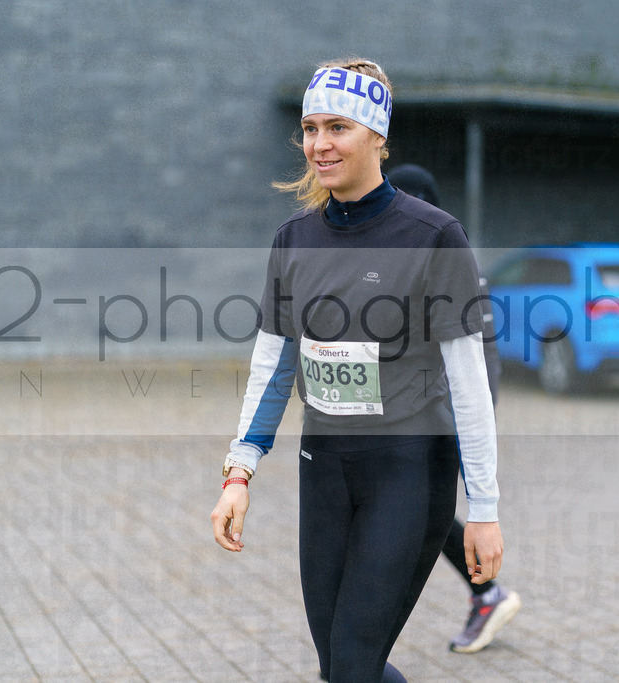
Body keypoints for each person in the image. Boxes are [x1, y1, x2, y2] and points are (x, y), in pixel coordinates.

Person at [210, 58, 503, 682]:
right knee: (341, 668)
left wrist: (484, 508)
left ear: (378, 136)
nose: (320, 144)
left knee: (351, 665)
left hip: (410, 473)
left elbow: (470, 385)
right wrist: (240, 470)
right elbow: (275, 364)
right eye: (311, 128)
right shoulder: (293, 240)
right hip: (325, 470)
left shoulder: (435, 236)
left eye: (338, 127)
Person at [387, 163, 521, 654]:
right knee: (424, 512)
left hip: (445, 413)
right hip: (432, 411)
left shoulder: (443, 258)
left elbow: (476, 353)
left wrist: (470, 425)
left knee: (421, 513)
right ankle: (485, 592)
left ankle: (486, 592)